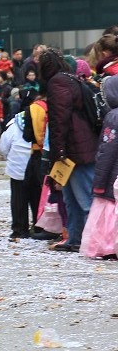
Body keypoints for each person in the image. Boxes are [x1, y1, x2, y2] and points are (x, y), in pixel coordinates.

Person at [38, 48, 99, 251]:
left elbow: (59, 121)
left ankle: (92, 240)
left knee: (83, 200)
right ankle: (76, 238)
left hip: (75, 150)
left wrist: (58, 152)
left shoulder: (57, 83)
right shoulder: (70, 79)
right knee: (72, 198)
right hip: (80, 146)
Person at [79, 74, 118, 258]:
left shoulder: (113, 117)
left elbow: (107, 151)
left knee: (109, 213)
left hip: (112, 177)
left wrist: (99, 181)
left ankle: (108, 246)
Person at [0, 109, 33, 239]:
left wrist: (9, 157)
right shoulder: (43, 120)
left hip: (17, 167)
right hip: (35, 166)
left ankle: (19, 228)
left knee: (18, 200)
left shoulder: (13, 125)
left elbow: (3, 146)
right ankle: (39, 226)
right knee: (36, 199)